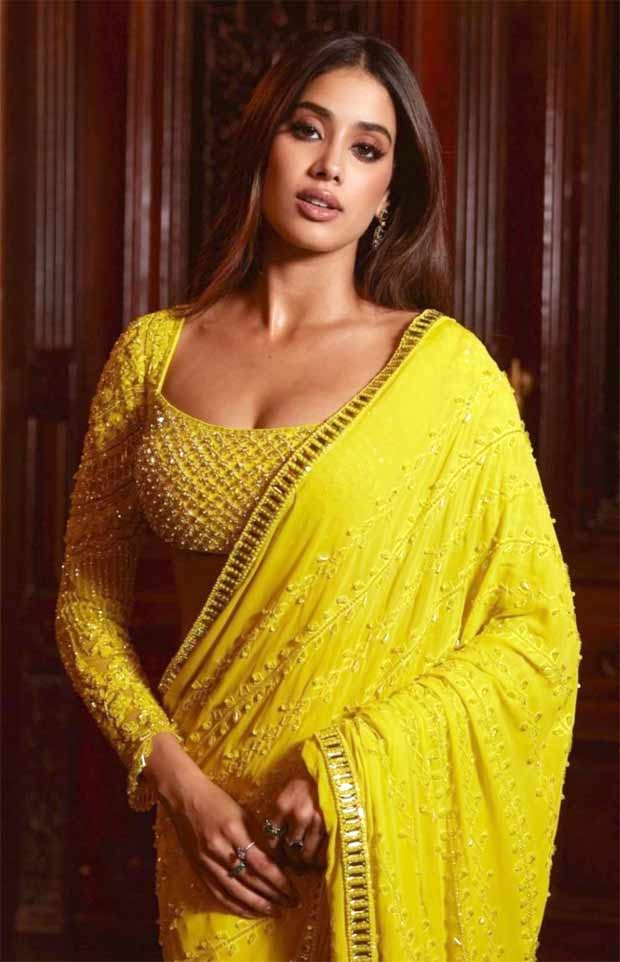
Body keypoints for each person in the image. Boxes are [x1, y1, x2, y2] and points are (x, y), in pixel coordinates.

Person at [55, 29, 581, 962]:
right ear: (264, 144)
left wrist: (349, 772)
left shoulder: (446, 376)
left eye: (367, 148)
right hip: (214, 842)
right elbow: (85, 605)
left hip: (364, 826)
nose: (330, 165)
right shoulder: (151, 356)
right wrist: (175, 781)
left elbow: (535, 630)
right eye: (308, 130)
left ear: (389, 193)